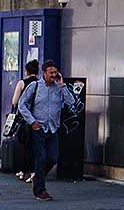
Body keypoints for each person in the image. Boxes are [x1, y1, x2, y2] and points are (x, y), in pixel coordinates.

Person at [18, 60, 80, 200]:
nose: (53, 75)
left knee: (52, 158)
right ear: (44, 73)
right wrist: (32, 122)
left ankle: (37, 178)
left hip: (53, 129)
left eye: (55, 72)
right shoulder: (35, 86)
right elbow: (22, 105)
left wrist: (62, 85)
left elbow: (71, 102)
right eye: (51, 73)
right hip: (38, 128)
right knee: (41, 158)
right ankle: (40, 191)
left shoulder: (59, 88)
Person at [7, 59, 38, 182]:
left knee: (22, 146)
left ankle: (21, 171)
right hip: (37, 118)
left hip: (23, 119)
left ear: (26, 71)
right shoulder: (40, 83)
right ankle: (33, 172)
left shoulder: (22, 83)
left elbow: (15, 101)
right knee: (35, 146)